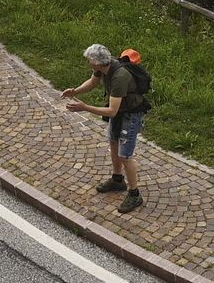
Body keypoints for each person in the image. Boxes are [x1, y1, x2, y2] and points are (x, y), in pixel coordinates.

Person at [62, 44, 149, 214]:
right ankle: (117, 180)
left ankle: (134, 194)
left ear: (96, 62)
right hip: (120, 115)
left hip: (130, 117)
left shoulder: (119, 77)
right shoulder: (104, 66)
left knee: (125, 155)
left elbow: (112, 111)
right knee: (114, 143)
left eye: (89, 61)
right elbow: (93, 82)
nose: (88, 63)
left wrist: (85, 107)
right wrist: (74, 91)